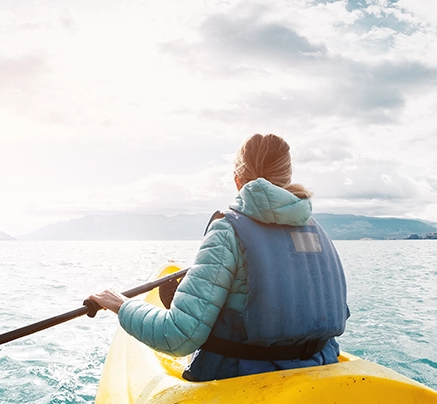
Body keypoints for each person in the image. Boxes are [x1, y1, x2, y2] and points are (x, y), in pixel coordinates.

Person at [87, 133, 349, 382]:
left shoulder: (227, 231)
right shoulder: (315, 229)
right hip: (321, 367)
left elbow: (178, 336)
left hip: (243, 381)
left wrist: (121, 305)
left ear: (238, 180)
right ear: (287, 177)